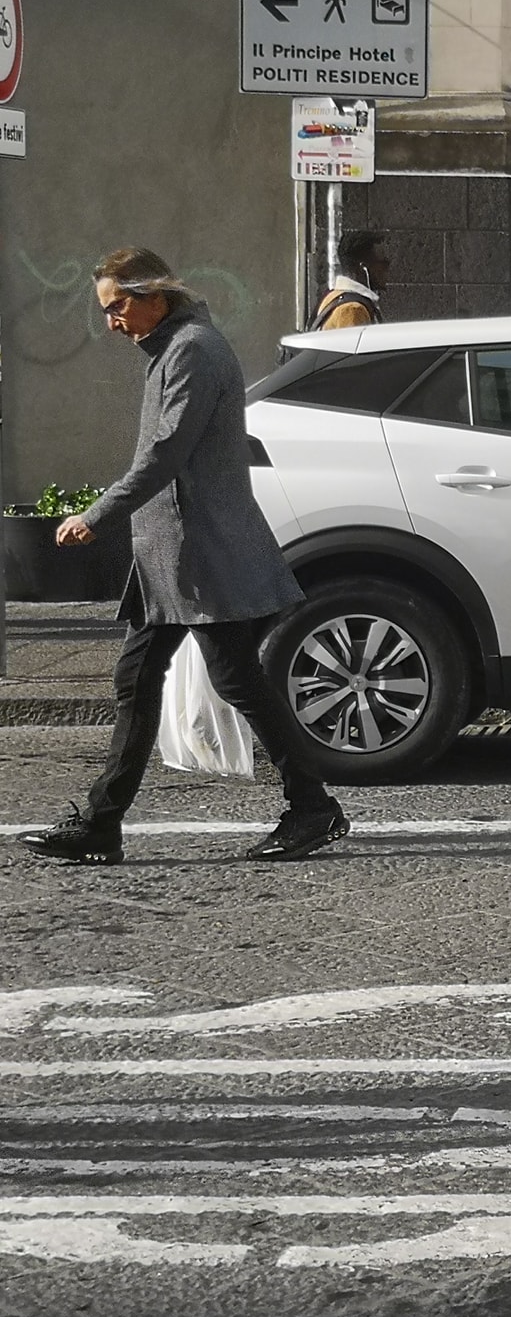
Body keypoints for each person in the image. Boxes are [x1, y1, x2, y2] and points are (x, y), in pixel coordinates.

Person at [18, 249, 349, 867]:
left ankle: (312, 806)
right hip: (168, 557)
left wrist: (95, 516)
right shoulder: (174, 348)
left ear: (155, 296)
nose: (112, 321)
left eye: (117, 307)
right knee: (137, 682)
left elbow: (165, 454)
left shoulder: (192, 349)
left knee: (235, 680)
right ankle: (100, 824)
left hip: (200, 556)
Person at [309, 229, 389, 330]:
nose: (387, 269)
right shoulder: (352, 309)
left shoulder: (333, 296)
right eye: (384, 263)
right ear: (364, 268)